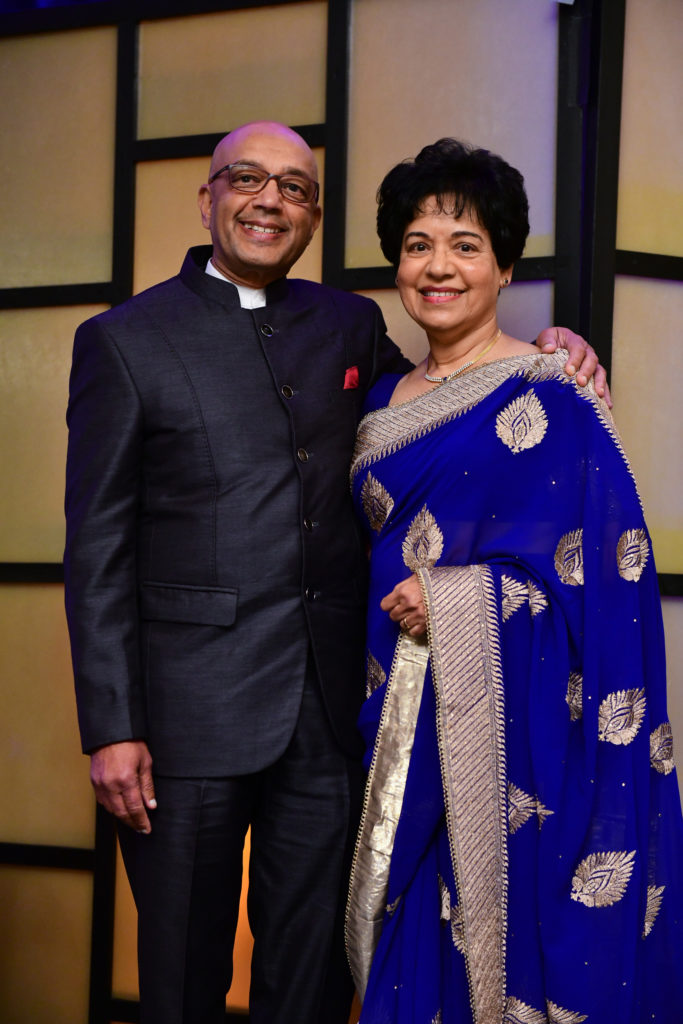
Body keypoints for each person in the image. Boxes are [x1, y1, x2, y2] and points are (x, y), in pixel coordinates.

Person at [64, 121, 602, 1024]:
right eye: (246, 179)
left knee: (315, 971)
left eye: (296, 188)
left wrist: (560, 347)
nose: (270, 200)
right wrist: (111, 726)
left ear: (313, 214)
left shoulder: (347, 323)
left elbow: (447, 405)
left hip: (329, 711)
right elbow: (98, 546)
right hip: (184, 718)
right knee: (181, 974)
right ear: (208, 199)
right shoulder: (124, 341)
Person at [345, 138, 683, 1023]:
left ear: (502, 265)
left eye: (464, 245)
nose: (438, 267)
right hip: (395, 726)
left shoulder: (554, 394)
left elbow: (606, 587)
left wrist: (459, 600)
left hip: (514, 743)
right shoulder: (378, 400)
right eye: (417, 244)